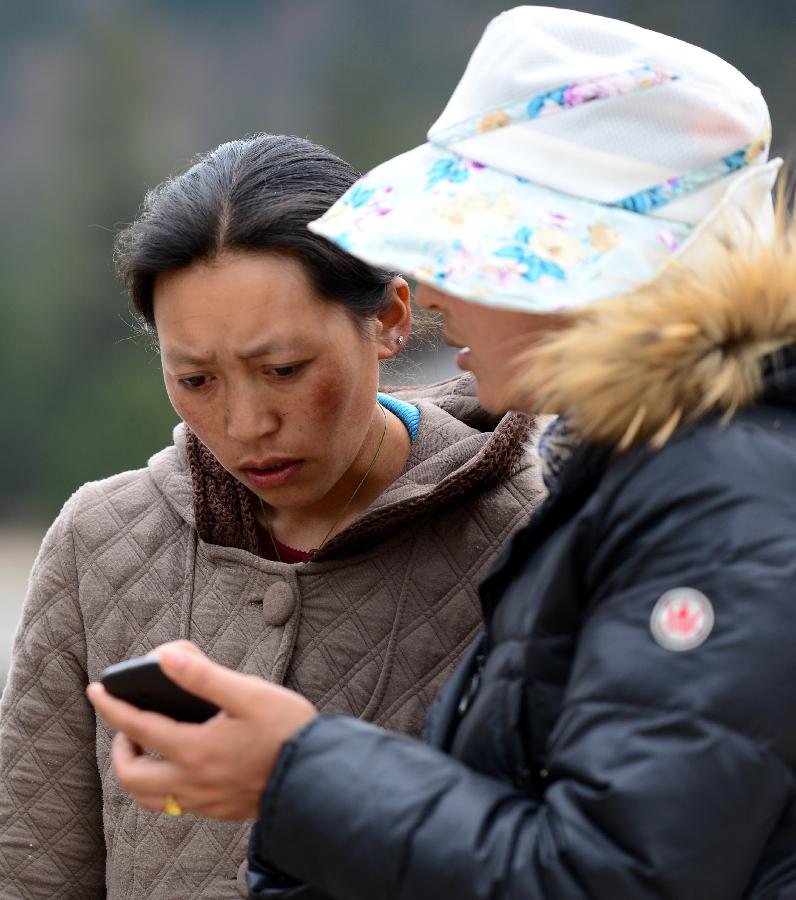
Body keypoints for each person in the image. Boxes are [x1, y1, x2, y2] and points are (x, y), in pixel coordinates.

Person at [88, 7, 796, 898]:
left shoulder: (722, 505)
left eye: (468, 250)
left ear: (580, 260)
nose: (429, 295)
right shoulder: (661, 477)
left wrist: (295, 774)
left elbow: (607, 878)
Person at [0, 133, 543, 898]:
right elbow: (31, 866)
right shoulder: (100, 542)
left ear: (390, 317)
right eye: (195, 379)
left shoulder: (529, 537)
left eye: (283, 370)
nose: (247, 423)